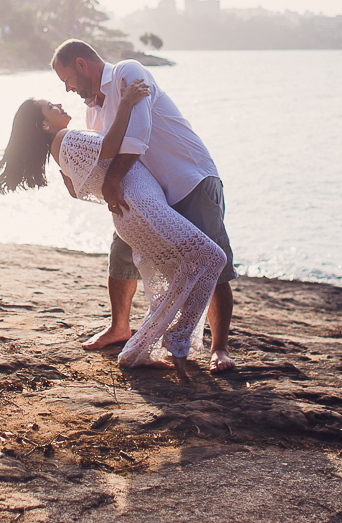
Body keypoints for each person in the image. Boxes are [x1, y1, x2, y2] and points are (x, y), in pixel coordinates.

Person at [0, 80, 224, 379]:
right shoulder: (66, 137)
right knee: (211, 258)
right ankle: (176, 340)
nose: (59, 105)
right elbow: (110, 147)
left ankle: (138, 350)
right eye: (51, 107)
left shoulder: (58, 150)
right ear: (43, 125)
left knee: (181, 274)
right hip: (143, 209)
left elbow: (76, 191)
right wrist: (125, 103)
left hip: (132, 216)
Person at [51, 39, 237, 373]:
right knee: (120, 255)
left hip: (189, 180)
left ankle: (219, 348)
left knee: (213, 263)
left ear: (82, 65)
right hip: (148, 198)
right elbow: (105, 155)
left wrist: (112, 181)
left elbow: (139, 133)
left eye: (68, 80)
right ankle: (119, 327)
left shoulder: (128, 73)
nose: (68, 89)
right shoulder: (93, 111)